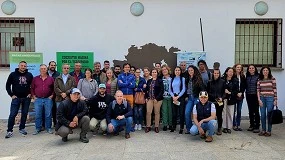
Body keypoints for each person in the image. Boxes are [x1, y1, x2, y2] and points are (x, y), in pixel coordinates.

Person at [5, 61, 33, 138]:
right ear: (18, 66)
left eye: (24, 66)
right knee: (12, 114)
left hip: (26, 98)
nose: (23, 67)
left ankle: (22, 128)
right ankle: (9, 131)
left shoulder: (29, 75)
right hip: (16, 98)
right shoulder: (13, 74)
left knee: (24, 114)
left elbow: (32, 85)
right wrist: (11, 95)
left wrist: (30, 93)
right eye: (22, 65)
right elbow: (7, 85)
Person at [31, 64, 54, 135]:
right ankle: (38, 128)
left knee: (48, 114)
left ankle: (48, 128)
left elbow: (54, 88)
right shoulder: (35, 79)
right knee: (38, 114)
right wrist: (34, 96)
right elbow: (32, 88)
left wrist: (52, 95)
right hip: (38, 99)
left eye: (44, 68)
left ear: (47, 70)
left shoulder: (51, 78)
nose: (43, 70)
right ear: (39, 70)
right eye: (42, 68)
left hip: (48, 99)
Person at [257, 67, 277, 137]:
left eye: (266, 70)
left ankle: (269, 131)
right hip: (262, 98)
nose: (265, 71)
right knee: (262, 115)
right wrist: (259, 100)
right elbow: (258, 90)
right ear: (262, 72)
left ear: (269, 71)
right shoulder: (259, 80)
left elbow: (274, 89)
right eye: (264, 70)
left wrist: (275, 99)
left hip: (270, 98)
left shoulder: (272, 79)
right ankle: (263, 130)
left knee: (269, 115)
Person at [184, 65, 205, 134]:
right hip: (190, 98)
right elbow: (186, 89)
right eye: (189, 70)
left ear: (194, 71)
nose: (190, 72)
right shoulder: (187, 78)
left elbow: (202, 89)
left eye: (191, 70)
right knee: (187, 112)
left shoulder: (198, 78)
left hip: (196, 97)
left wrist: (201, 98)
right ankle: (189, 128)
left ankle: (199, 128)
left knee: (197, 113)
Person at [145, 68, 164, 133]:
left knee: (157, 113)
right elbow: (146, 90)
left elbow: (162, 91)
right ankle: (148, 126)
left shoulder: (160, 81)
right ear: (151, 73)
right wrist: (146, 97)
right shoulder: (149, 81)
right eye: (153, 72)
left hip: (157, 100)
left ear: (157, 73)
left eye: (155, 72)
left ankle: (156, 126)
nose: (154, 73)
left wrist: (157, 98)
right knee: (148, 112)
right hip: (150, 99)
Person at [207, 68, 225, 135]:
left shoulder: (222, 82)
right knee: (210, 115)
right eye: (215, 73)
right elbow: (207, 91)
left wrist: (222, 98)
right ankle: (210, 128)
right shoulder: (209, 82)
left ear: (219, 74)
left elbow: (224, 92)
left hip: (219, 101)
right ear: (213, 74)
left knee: (219, 115)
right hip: (211, 101)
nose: (216, 74)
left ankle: (219, 128)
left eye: (217, 73)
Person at [169, 66, 186, 134]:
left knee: (181, 113)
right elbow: (169, 90)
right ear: (174, 71)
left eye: (179, 70)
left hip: (180, 97)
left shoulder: (183, 79)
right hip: (173, 97)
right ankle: (174, 126)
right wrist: (173, 96)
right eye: (176, 70)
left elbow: (183, 89)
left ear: (180, 71)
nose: (177, 71)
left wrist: (178, 96)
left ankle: (181, 127)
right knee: (174, 113)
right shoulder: (171, 79)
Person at [222, 67, 238, 134]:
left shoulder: (235, 80)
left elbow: (237, 90)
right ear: (226, 72)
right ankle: (224, 127)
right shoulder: (222, 79)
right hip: (223, 99)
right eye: (229, 71)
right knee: (223, 113)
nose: (231, 73)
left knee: (230, 113)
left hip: (231, 99)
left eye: (232, 72)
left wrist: (230, 92)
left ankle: (229, 127)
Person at [245, 65, 260, 133]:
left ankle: (257, 126)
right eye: (250, 68)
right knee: (250, 110)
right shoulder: (247, 77)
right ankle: (252, 125)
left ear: (255, 69)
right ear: (248, 70)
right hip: (248, 95)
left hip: (255, 95)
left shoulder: (258, 76)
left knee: (256, 111)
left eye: (252, 68)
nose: (251, 69)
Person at [232, 64, 246, 131]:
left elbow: (244, 86)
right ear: (235, 68)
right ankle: (234, 124)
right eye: (237, 67)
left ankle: (238, 124)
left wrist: (241, 92)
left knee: (239, 110)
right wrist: (236, 93)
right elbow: (232, 86)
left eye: (240, 67)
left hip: (241, 96)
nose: (239, 68)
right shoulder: (233, 76)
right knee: (234, 111)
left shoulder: (243, 76)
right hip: (234, 96)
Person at [48, 61, 60, 126]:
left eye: (54, 65)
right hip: (46, 95)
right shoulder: (45, 73)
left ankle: (55, 124)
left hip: (55, 95)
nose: (53, 66)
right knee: (47, 111)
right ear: (49, 66)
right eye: (51, 65)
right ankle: (46, 125)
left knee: (55, 110)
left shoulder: (58, 74)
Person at [161, 65, 172, 131]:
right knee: (164, 111)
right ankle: (165, 124)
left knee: (170, 111)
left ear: (168, 70)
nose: (164, 71)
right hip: (163, 97)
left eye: (165, 69)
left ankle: (170, 124)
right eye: (163, 70)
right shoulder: (161, 79)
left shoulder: (171, 78)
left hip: (171, 97)